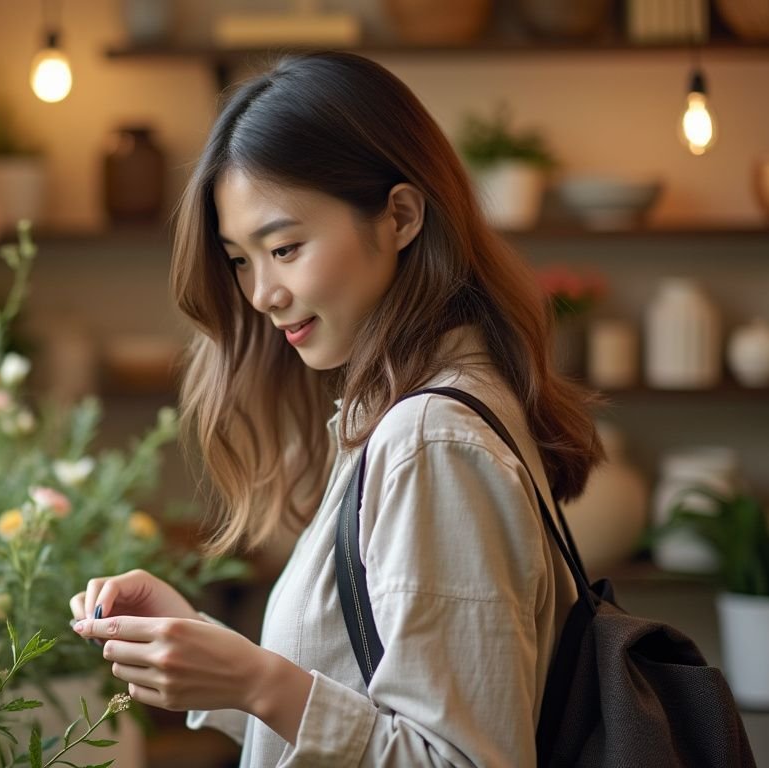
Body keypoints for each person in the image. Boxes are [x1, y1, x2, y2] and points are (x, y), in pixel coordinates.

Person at [68, 51, 603, 766]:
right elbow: (364, 707)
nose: (261, 293)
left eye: (284, 247)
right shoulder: (409, 416)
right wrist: (219, 666)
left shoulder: (430, 440)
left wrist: (260, 681)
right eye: (239, 259)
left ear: (401, 216)